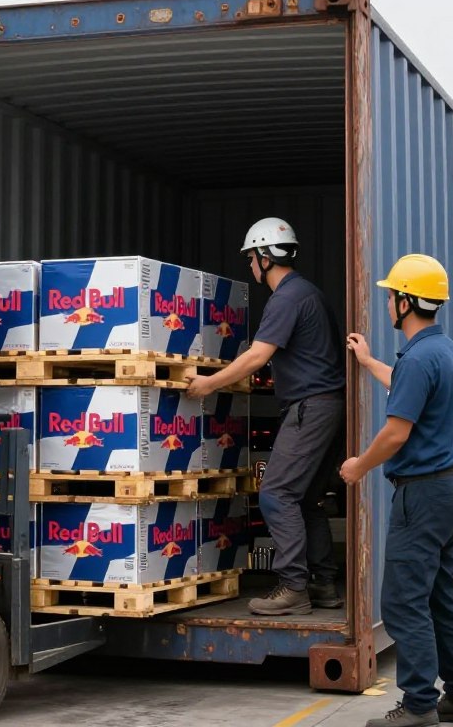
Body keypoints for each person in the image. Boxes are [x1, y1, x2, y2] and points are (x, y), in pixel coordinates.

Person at [342, 254, 453, 727]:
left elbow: (397, 432)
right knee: (439, 596)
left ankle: (420, 704)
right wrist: (367, 362)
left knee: (403, 601)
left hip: (421, 497)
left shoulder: (420, 357)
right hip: (449, 492)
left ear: (404, 301)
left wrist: (359, 466)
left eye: (390, 295)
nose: (386, 302)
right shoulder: (443, 350)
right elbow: (407, 386)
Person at [187, 217, 345, 615]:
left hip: (311, 406)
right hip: (328, 406)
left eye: (250, 259)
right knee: (307, 498)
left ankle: (293, 587)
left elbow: (258, 355)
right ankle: (324, 584)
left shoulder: (287, 297)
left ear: (263, 257)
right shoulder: (308, 293)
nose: (250, 267)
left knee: (275, 494)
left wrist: (209, 383)